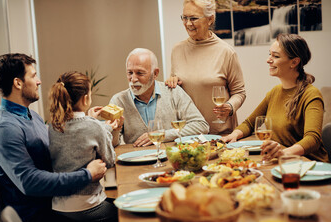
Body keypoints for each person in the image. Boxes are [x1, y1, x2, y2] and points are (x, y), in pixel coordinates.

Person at [0, 53, 107, 222]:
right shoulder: (4, 129)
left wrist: (87, 122)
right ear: (18, 83)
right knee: (121, 221)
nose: (39, 81)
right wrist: (87, 175)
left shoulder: (31, 116)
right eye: (33, 76)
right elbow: (30, 182)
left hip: (57, 208)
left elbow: (57, 152)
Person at [221, 34, 328, 162]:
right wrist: (233, 135)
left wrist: (283, 152)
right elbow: (250, 123)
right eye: (270, 54)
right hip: (281, 161)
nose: (268, 60)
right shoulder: (275, 92)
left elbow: (313, 139)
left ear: (294, 62)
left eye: (275, 56)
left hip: (307, 164)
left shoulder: (311, 94)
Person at [48, 71, 118, 222]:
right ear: (85, 98)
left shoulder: (53, 125)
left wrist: (101, 127)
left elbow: (77, 135)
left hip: (59, 207)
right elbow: (109, 160)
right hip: (87, 206)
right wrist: (105, 129)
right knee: (123, 213)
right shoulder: (93, 126)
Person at [165, 0, 246, 135]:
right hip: (188, 134)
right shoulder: (177, 50)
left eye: (194, 18)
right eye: (184, 18)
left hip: (220, 134)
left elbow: (239, 93)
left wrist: (230, 107)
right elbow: (177, 92)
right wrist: (171, 83)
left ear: (210, 19)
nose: (188, 23)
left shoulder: (226, 52)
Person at [110, 48, 209, 147]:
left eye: (140, 73)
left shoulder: (173, 92)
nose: (133, 79)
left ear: (155, 73)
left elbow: (201, 126)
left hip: (171, 158)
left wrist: (164, 135)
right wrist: (114, 130)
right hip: (135, 160)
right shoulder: (118, 101)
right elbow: (112, 144)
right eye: (130, 73)